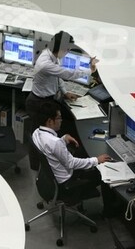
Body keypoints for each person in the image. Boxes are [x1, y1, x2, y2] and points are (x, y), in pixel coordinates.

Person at [25, 30, 97, 169]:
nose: (68, 52)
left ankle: (52, 162)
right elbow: (66, 74)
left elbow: (57, 76)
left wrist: (65, 92)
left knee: (50, 133)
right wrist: (90, 70)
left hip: (48, 99)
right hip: (38, 103)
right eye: (68, 49)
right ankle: (36, 166)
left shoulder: (52, 55)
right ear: (62, 49)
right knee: (38, 136)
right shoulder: (45, 62)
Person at [31, 101, 112, 204]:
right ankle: (108, 211)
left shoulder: (36, 133)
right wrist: (97, 160)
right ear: (50, 121)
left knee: (81, 151)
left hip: (50, 177)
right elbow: (71, 163)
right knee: (103, 175)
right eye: (59, 118)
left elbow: (49, 147)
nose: (61, 120)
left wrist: (63, 139)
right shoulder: (55, 143)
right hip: (66, 185)